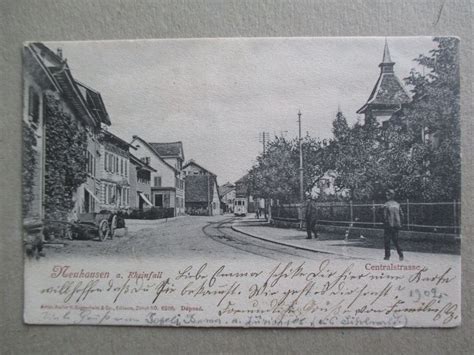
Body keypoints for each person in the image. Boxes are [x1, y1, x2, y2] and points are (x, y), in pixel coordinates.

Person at [383, 189, 404, 261]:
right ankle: (401, 254)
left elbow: (384, 216)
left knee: (387, 240)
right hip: (397, 225)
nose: (386, 196)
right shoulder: (397, 204)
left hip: (389, 224)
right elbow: (402, 215)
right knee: (396, 240)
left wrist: (384, 222)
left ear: (390, 196)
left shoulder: (386, 204)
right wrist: (400, 223)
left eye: (387, 195)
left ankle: (387, 256)